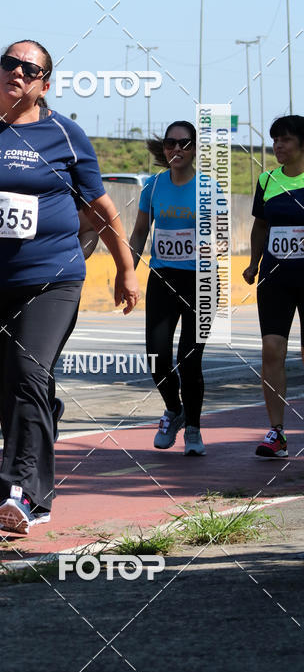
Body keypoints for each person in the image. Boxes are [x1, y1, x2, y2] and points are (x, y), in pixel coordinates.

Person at [0, 39, 139, 534]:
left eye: (29, 68)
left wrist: (125, 267)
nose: (16, 72)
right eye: (9, 64)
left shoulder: (65, 135)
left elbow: (102, 210)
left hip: (52, 279)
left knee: (24, 373)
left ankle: (19, 495)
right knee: (16, 388)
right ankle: (43, 424)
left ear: (44, 83)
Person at [129, 121, 207, 456]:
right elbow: (140, 232)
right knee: (157, 357)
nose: (176, 149)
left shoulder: (208, 188)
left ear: (194, 149)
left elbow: (218, 238)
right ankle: (174, 410)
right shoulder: (153, 185)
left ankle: (193, 428)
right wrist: (126, 273)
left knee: (189, 360)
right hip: (162, 278)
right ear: (164, 149)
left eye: (184, 143)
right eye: (170, 143)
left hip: (200, 283)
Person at [243, 115, 304, 458]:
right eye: (275, 140)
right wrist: (253, 262)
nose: (278, 146)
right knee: (271, 350)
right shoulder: (267, 180)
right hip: (275, 278)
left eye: (285, 140)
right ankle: (277, 432)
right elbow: (260, 226)